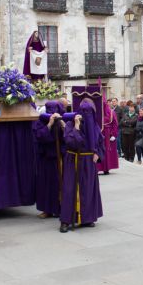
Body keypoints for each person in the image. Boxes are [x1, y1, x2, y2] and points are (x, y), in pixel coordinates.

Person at [60, 98, 104, 233]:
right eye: (84, 111)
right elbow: (71, 142)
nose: (87, 114)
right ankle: (66, 220)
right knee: (69, 190)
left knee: (88, 189)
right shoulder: (70, 124)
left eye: (89, 112)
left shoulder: (95, 126)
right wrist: (77, 127)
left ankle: (87, 218)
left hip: (89, 162)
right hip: (73, 160)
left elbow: (100, 142)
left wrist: (98, 154)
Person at [34, 100, 65, 218]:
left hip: (60, 158)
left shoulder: (63, 120)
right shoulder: (41, 121)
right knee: (46, 184)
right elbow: (39, 136)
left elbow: (68, 135)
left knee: (59, 184)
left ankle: (60, 208)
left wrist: (61, 122)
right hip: (46, 158)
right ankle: (47, 209)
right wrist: (50, 124)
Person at [96, 99, 119, 175]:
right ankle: (98, 168)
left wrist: (113, 134)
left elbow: (115, 124)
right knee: (98, 150)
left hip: (107, 134)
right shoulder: (97, 113)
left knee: (106, 151)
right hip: (98, 133)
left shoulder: (112, 113)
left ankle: (106, 168)